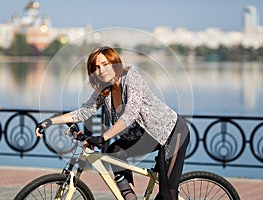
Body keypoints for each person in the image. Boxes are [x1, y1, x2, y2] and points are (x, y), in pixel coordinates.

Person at [35, 46, 190, 200]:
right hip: (147, 137)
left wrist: (103, 137)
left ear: (115, 63)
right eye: (96, 67)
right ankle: (129, 197)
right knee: (114, 151)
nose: (101, 70)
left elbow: (130, 114)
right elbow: (83, 112)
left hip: (171, 133)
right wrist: (48, 122)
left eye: (105, 64)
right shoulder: (104, 90)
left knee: (166, 194)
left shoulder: (131, 76)